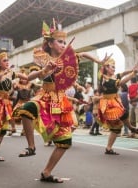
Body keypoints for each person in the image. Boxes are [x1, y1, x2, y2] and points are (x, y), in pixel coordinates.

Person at [12, 19, 111, 183]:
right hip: (45, 96)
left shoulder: (68, 59)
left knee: (64, 141)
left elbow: (84, 54)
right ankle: (31, 146)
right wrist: (45, 70)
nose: (63, 45)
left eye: (65, 42)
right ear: (50, 43)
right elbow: (30, 77)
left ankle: (47, 172)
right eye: (60, 41)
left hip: (61, 101)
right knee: (27, 109)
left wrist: (98, 61)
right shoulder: (44, 58)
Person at [98, 58, 138, 155]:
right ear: (106, 68)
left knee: (120, 121)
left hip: (115, 101)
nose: (114, 69)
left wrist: (132, 70)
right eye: (112, 67)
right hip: (108, 104)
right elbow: (121, 82)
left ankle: (109, 148)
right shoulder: (104, 78)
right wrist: (133, 74)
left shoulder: (114, 76)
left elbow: (123, 73)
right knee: (120, 118)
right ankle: (130, 127)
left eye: (114, 67)